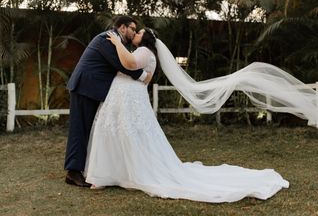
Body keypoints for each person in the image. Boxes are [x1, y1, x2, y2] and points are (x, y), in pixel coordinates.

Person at [83, 28, 297, 203]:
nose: (135, 34)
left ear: (145, 38)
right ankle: (113, 173)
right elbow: (141, 74)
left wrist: (117, 43)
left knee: (124, 133)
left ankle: (112, 174)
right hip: (126, 98)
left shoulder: (144, 52)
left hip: (129, 99)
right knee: (121, 134)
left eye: (138, 32)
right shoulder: (147, 54)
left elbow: (129, 63)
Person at [64, 16, 152, 187]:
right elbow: (121, 64)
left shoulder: (116, 41)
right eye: (132, 28)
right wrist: (143, 76)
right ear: (123, 27)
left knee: (87, 129)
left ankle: (80, 169)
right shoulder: (108, 38)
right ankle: (73, 173)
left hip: (91, 89)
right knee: (80, 128)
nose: (134, 32)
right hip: (85, 87)